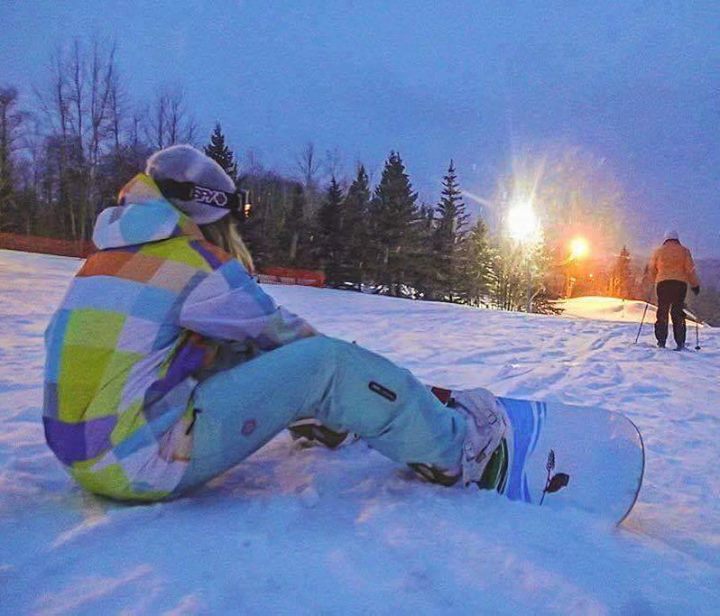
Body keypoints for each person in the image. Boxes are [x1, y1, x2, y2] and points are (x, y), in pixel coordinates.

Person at [42, 144, 507, 502]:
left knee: (229, 346)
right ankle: (454, 449)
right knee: (325, 363)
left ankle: (318, 422)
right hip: (141, 463)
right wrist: (346, 387)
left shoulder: (101, 263)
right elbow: (285, 337)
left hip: (84, 459)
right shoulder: (193, 262)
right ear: (212, 215)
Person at [648, 229, 700, 350]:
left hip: (663, 284)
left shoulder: (658, 251)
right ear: (677, 239)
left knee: (662, 311)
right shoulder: (684, 251)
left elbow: (652, 269)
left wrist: (653, 281)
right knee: (677, 311)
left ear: (665, 239)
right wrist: (695, 285)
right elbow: (690, 270)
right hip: (679, 285)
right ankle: (680, 342)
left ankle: (661, 341)